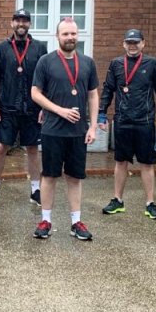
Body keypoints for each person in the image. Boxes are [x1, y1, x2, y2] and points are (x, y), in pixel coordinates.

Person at [31, 18, 99, 242]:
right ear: (57, 37)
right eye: (65, 34)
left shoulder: (87, 63)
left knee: (74, 178)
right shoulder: (45, 61)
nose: (70, 38)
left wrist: (93, 125)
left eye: (73, 34)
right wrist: (59, 110)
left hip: (78, 132)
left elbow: (92, 94)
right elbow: (35, 93)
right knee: (49, 177)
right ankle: (46, 221)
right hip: (52, 130)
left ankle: (76, 222)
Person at [98, 28, 156, 220]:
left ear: (143, 43)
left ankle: (150, 203)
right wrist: (101, 114)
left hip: (145, 121)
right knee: (120, 161)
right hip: (122, 120)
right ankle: (117, 200)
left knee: (146, 163)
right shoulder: (115, 64)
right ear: (124, 44)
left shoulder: (152, 63)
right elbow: (108, 90)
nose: (132, 46)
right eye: (129, 43)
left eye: (136, 42)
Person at [0, 8, 46, 207]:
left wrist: (45, 106)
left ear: (29, 24)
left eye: (25, 21)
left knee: (33, 148)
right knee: (1, 147)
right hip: (8, 107)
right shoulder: (2, 48)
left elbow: (46, 79)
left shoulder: (39, 48)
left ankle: (36, 190)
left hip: (32, 109)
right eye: (18, 20)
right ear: (12, 23)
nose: (21, 24)